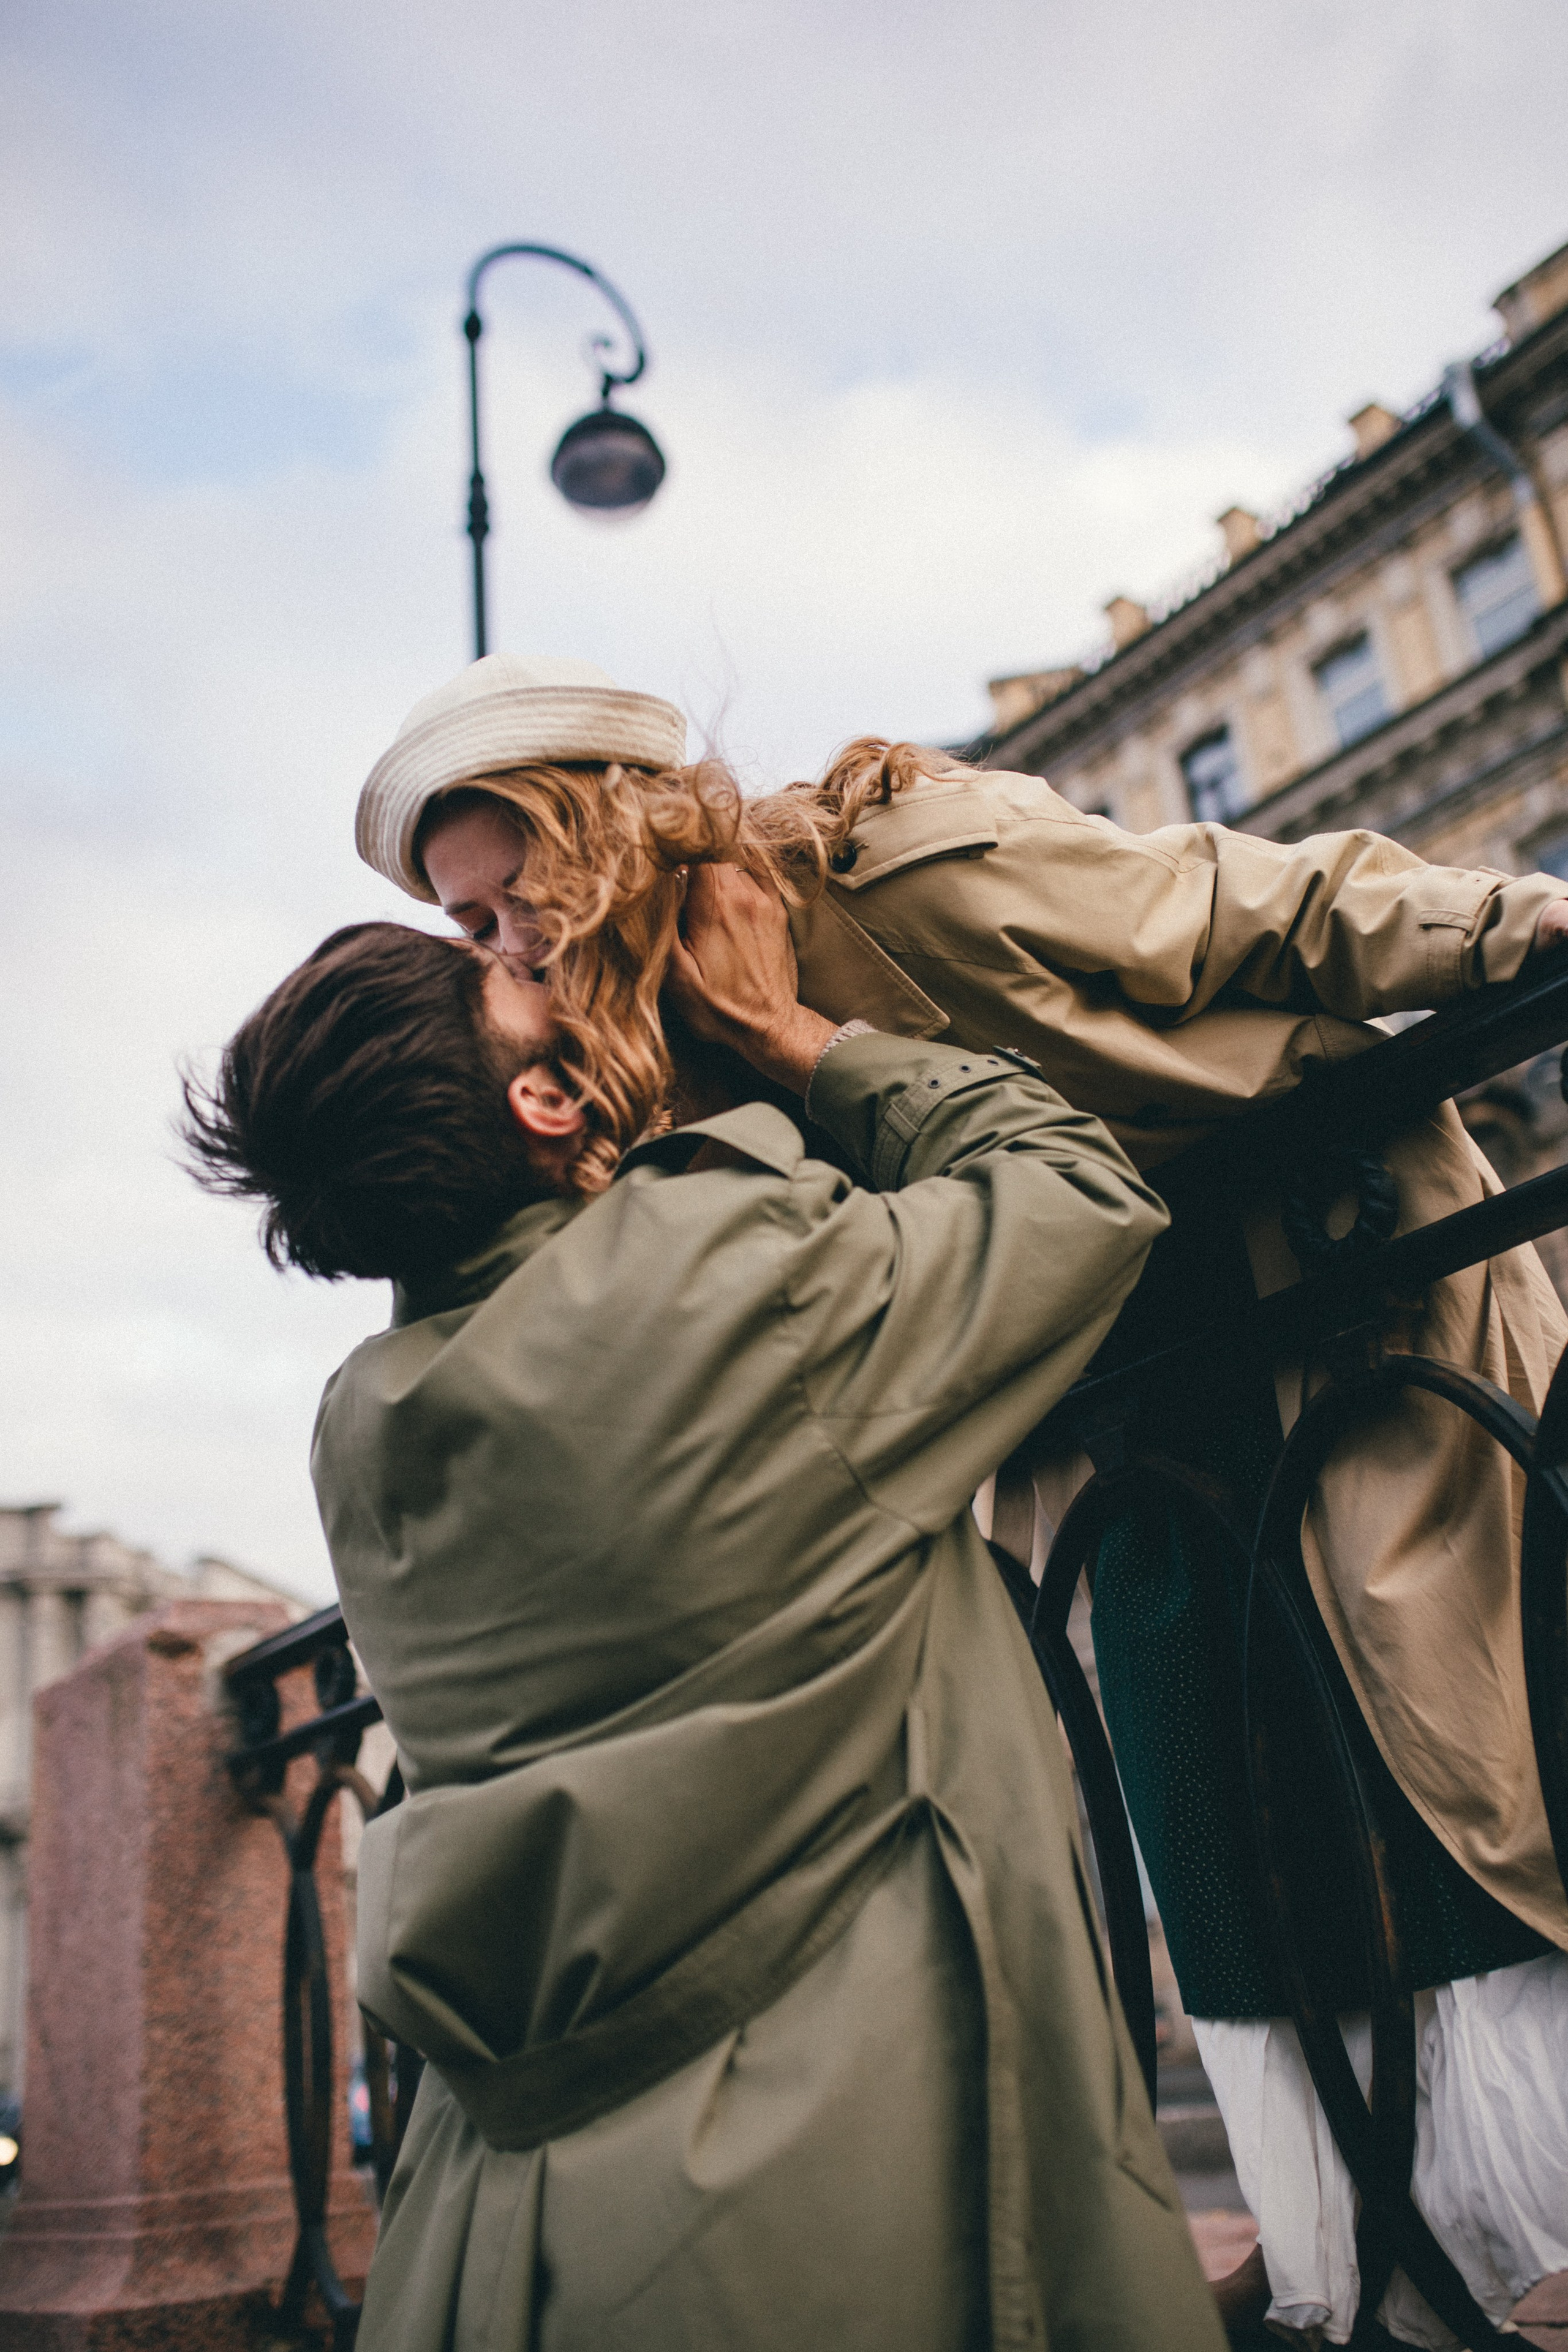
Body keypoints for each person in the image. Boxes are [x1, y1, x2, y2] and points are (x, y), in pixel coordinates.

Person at [354, 655, 1568, 2348]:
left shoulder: (898, 873)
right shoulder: (660, 1059)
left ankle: (1527, 2212)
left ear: (603, 826)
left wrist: (1521, 929)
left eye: (510, 899)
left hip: (1331, 1290)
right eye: (470, 930)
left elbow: (1240, 908)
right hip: (1112, 1406)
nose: (505, 951)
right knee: (1200, 1786)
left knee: (1437, 1754)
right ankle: (1350, 2240)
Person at [182, 829, 1225, 2349]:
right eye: (505, 977)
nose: (535, 957)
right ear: (543, 1101)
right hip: (833, 2176)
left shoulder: (364, 1423)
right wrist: (787, 1034)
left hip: (502, 2239)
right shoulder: (713, 1267)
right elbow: (1074, 1192)